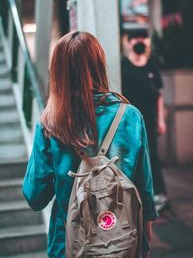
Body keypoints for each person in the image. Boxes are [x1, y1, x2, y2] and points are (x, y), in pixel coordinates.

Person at [23, 31, 157, 258]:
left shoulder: (50, 124)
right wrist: (144, 241)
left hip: (68, 245)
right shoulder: (130, 116)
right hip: (122, 241)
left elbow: (35, 196)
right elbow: (144, 188)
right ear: (99, 65)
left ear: (58, 72)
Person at [121, 28, 168, 213]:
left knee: (152, 156)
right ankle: (134, 196)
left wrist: (161, 119)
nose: (140, 41)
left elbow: (159, 95)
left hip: (150, 119)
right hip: (129, 122)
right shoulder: (124, 66)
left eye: (143, 38)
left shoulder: (152, 64)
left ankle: (158, 194)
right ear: (129, 42)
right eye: (136, 38)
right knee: (131, 156)